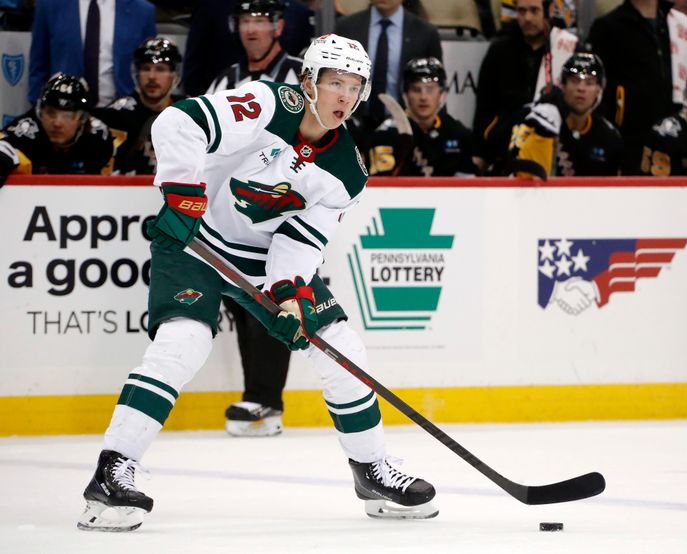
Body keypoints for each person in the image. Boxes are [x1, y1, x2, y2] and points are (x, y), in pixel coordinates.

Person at [76, 33, 438, 533]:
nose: (344, 97)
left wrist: (288, 294)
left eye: (355, 86)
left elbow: (302, 239)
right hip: (194, 238)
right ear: (309, 81)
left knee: (341, 347)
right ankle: (113, 472)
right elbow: (179, 122)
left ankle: (371, 470)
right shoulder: (266, 102)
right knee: (185, 341)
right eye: (335, 82)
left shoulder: (348, 172)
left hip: (260, 259)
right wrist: (182, 192)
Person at [205, 0, 301, 437]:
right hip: (232, 209)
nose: (252, 29)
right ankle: (259, 397)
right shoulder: (226, 79)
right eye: (245, 20)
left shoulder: (301, 74)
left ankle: (267, 400)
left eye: (261, 20)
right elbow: (205, 136)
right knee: (242, 299)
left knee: (270, 297)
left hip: (281, 204)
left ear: (279, 26)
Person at [587, 0, 687, 174]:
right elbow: (596, 92)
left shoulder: (679, 23)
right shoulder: (607, 27)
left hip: (673, 142)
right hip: (628, 143)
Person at [472, 0, 577, 175]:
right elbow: (484, 108)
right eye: (521, 11)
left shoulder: (567, 48)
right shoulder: (498, 51)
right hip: (504, 155)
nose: (527, 18)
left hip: (555, 156)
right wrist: (479, 154)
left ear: (549, 10)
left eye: (534, 10)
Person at [507, 52, 624, 177]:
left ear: (599, 90)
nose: (581, 88)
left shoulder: (610, 136)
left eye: (589, 82)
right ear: (562, 85)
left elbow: (613, 190)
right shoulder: (533, 116)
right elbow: (515, 170)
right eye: (575, 81)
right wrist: (541, 132)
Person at [334, 0, 443, 134]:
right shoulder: (347, 27)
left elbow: (438, 82)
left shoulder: (425, 32)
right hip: (353, 122)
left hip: (404, 127)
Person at [27, 0, 156, 108]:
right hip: (64, 115)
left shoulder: (143, 11)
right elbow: (39, 66)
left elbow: (148, 67)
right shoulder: (50, 5)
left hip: (122, 114)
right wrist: (39, 107)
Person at [368, 57, 477, 177]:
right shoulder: (387, 133)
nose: (423, 97)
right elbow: (382, 187)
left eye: (430, 89)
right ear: (405, 94)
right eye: (416, 89)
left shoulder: (457, 133)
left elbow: (468, 183)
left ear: (443, 94)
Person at [0, 73, 114, 184]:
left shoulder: (98, 137)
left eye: (67, 116)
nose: (57, 123)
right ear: (40, 112)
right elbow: (3, 147)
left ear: (82, 119)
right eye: (50, 113)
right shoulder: (26, 131)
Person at [95, 37, 185, 175]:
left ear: (175, 75)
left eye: (160, 69)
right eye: (146, 69)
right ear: (136, 74)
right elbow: (107, 174)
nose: (152, 76)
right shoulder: (116, 115)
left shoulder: (188, 112)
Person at [207, 0, 303, 94]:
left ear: (278, 27)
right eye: (245, 21)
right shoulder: (223, 80)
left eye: (259, 21)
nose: (250, 30)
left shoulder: (303, 73)